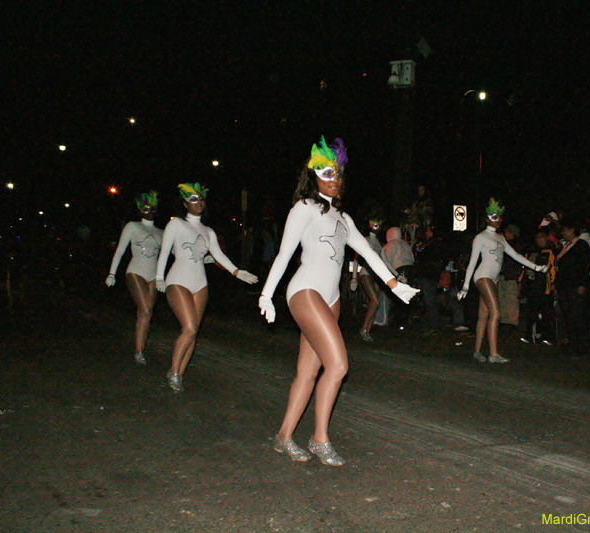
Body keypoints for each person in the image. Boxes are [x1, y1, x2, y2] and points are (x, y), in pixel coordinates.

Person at [259, 136, 418, 466]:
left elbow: (369, 254)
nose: (335, 180)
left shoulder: (344, 219)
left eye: (338, 174)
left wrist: (393, 284)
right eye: (327, 173)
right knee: (339, 365)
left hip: (330, 299)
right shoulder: (303, 208)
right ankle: (320, 439)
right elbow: (285, 253)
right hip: (305, 291)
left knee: (307, 373)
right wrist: (267, 293)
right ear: (314, 175)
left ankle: (283, 436)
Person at [155, 183, 258, 392]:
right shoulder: (176, 225)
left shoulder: (208, 230)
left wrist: (237, 272)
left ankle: (179, 375)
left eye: (201, 199)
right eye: (193, 199)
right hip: (178, 280)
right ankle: (173, 371)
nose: (198, 202)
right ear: (184, 204)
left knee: (192, 332)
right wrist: (159, 276)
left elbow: (219, 255)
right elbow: (165, 252)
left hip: (200, 283)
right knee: (190, 327)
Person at [458, 199, 548, 363]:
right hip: (483, 276)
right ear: (487, 219)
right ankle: (493, 354)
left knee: (484, 315)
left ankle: (477, 351)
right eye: (494, 217)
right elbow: (472, 261)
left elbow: (516, 256)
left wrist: (536, 267)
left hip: (493, 278)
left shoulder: (500, 238)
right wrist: (465, 286)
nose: (498, 220)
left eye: (499, 217)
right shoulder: (480, 237)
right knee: (496, 313)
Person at [105, 191, 164, 365]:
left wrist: (203, 259)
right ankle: (139, 352)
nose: (149, 211)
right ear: (140, 210)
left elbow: (174, 253)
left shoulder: (162, 232)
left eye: (152, 208)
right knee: (145, 310)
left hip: (153, 276)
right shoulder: (132, 226)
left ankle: (139, 349)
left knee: (146, 313)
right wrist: (112, 273)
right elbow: (120, 251)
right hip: (135, 272)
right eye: (145, 208)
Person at [350, 214, 397, 341]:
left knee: (374, 303)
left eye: (379, 225)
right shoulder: (364, 240)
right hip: (365, 272)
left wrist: (396, 276)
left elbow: (385, 262)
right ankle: (364, 329)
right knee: (375, 300)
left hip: (375, 276)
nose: (377, 227)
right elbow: (356, 259)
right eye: (374, 224)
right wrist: (353, 278)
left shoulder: (378, 243)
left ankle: (367, 330)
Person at [555, 217, 590, 351]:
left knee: (578, 316)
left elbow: (585, 265)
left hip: (575, 286)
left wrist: (582, 285)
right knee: (568, 315)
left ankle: (581, 345)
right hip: (565, 286)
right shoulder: (566, 246)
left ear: (572, 230)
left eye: (565, 230)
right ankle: (572, 343)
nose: (563, 233)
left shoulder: (581, 245)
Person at [520, 229, 556, 345]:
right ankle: (530, 335)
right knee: (531, 312)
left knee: (547, 313)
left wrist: (553, 283)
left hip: (545, 286)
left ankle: (548, 336)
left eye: (542, 237)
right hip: (532, 286)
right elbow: (524, 267)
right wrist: (521, 282)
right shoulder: (531, 251)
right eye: (537, 237)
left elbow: (553, 269)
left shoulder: (551, 251)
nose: (539, 240)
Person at [497, 224, 523, 327]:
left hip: (511, 275)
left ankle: (512, 320)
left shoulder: (516, 246)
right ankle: (504, 318)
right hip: (503, 274)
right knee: (502, 297)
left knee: (511, 298)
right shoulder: (505, 244)